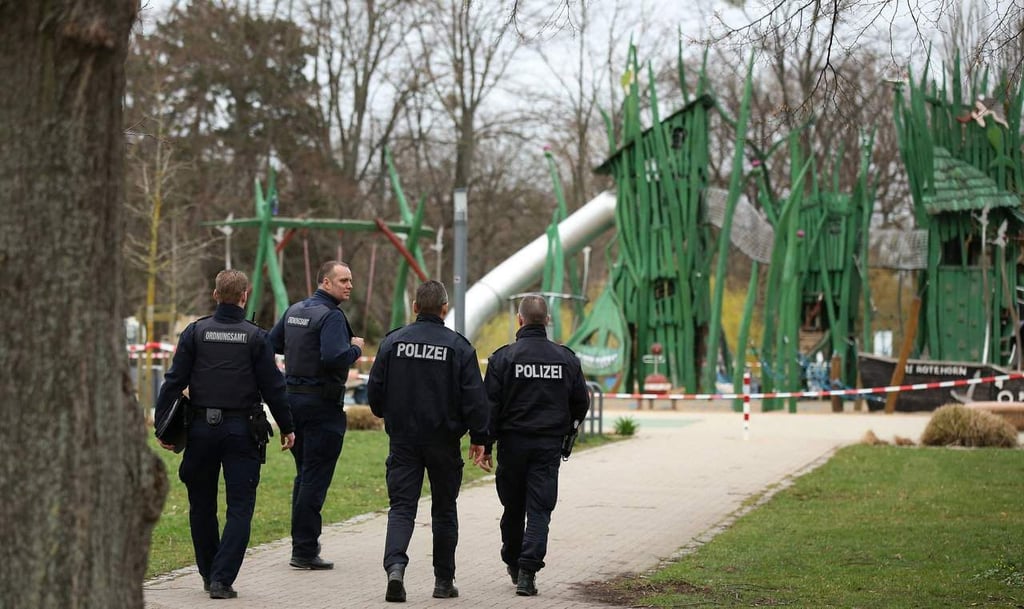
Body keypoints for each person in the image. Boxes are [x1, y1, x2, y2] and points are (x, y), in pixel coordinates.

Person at [155, 269, 296, 600]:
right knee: (240, 507)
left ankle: (208, 573)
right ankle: (221, 579)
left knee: (201, 505)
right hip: (242, 431)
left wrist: (162, 424)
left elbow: (174, 380)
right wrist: (288, 427)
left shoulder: (195, 332)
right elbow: (274, 388)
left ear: (216, 295)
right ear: (245, 297)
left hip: (200, 430)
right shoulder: (256, 338)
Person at [367, 280, 489, 603]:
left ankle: (395, 567)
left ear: (415, 307)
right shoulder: (459, 347)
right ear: (445, 310)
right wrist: (479, 437)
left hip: (403, 441)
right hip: (444, 442)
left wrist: (387, 414)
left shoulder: (393, 343)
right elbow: (475, 400)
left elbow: (375, 393)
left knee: (402, 508)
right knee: (444, 510)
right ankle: (443, 581)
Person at [470, 294, 590, 596]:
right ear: (547, 321)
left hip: (512, 445)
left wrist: (485, 441)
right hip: (548, 446)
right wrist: (569, 427)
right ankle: (527, 571)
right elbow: (581, 402)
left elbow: (490, 405)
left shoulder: (503, 358)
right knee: (540, 509)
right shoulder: (566, 358)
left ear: (519, 320)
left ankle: (514, 560)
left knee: (513, 506)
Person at [268, 260, 364, 570]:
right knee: (314, 477)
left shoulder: (295, 310)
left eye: (350, 280)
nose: (349, 285)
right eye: (343, 280)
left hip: (293, 402)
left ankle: (302, 544)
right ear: (325, 282)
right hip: (322, 406)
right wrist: (356, 349)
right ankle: (305, 550)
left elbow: (273, 342)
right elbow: (335, 356)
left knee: (304, 473)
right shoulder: (332, 316)